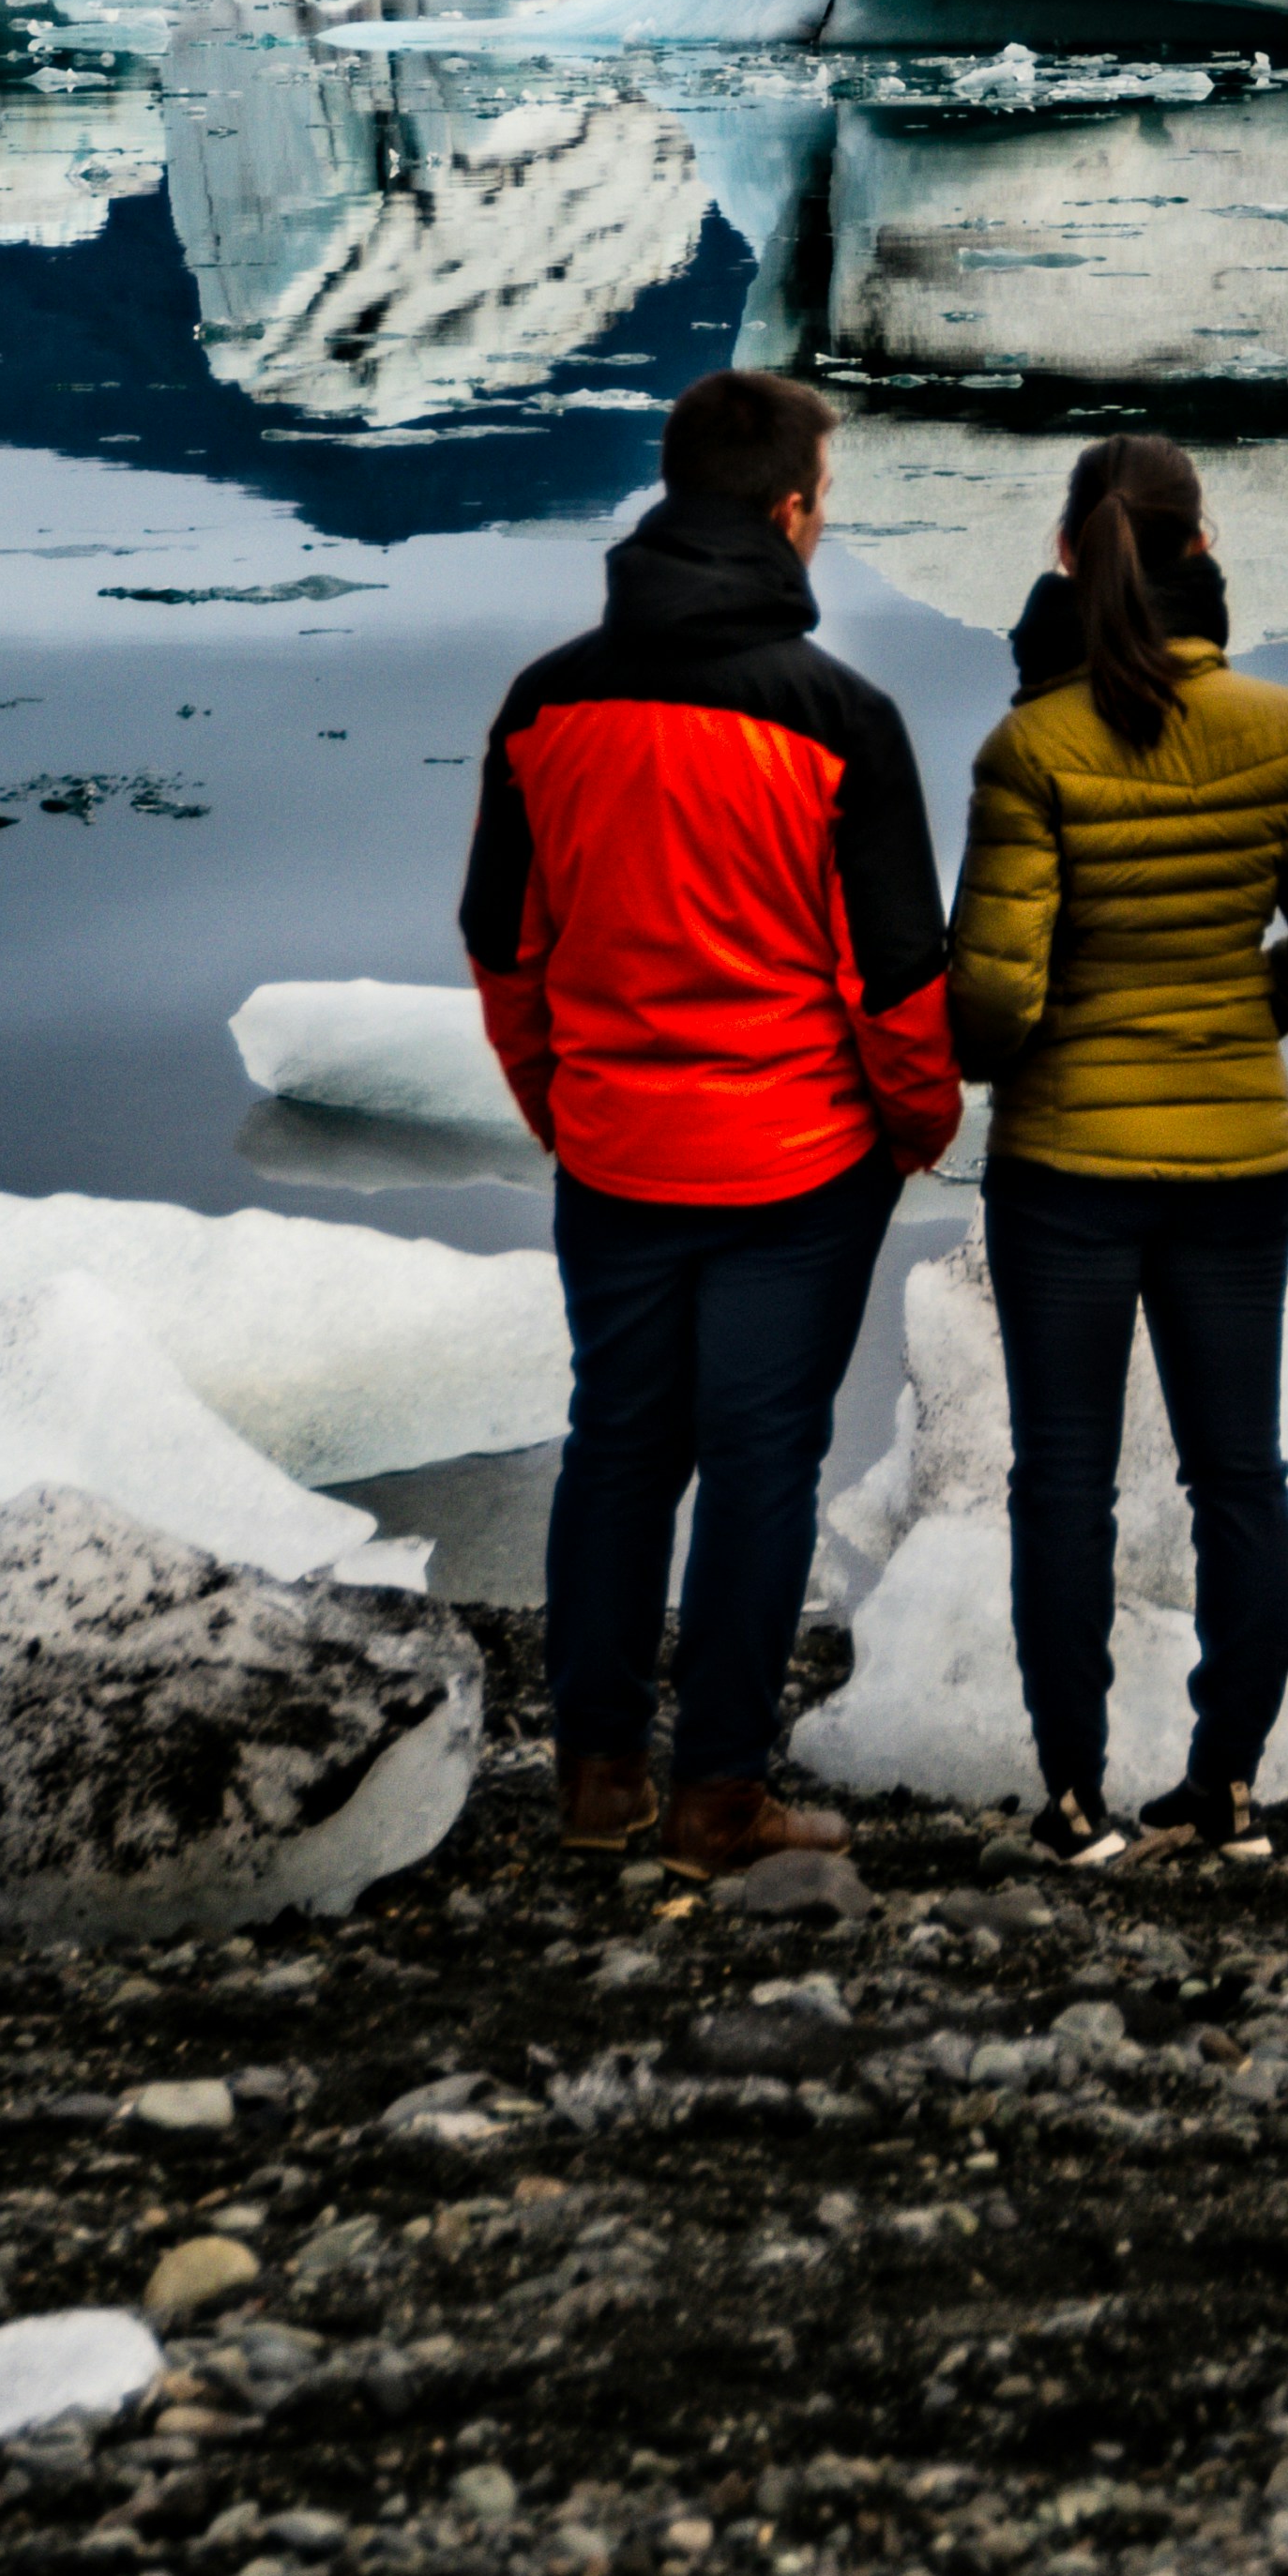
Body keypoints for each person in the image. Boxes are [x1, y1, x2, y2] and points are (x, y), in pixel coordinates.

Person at [461, 368, 959, 1875]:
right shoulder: (840, 718)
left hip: (615, 1147)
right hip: (797, 1163)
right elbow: (898, 987)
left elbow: (503, 943)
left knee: (616, 1448)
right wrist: (915, 1130)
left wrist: (561, 1101)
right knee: (758, 1464)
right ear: (792, 509)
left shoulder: (548, 700)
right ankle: (718, 1799)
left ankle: (599, 1776)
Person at [948, 432, 1288, 1868]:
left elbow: (1000, 1000)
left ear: (1068, 558)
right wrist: (1226, 1019)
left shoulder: (1031, 748)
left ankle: (1072, 1800)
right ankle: (1229, 1790)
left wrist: (1022, 1036)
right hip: (1236, 1161)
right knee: (1239, 1477)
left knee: (1063, 1481)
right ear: (1203, 549)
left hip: (1065, 1172)